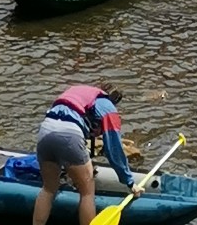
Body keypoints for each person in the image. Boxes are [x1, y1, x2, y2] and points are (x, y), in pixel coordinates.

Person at [31, 84, 133, 225]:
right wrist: (129, 182)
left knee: (48, 188)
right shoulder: (108, 108)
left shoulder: (80, 94)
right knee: (87, 192)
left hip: (45, 130)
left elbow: (83, 129)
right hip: (70, 134)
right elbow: (114, 148)